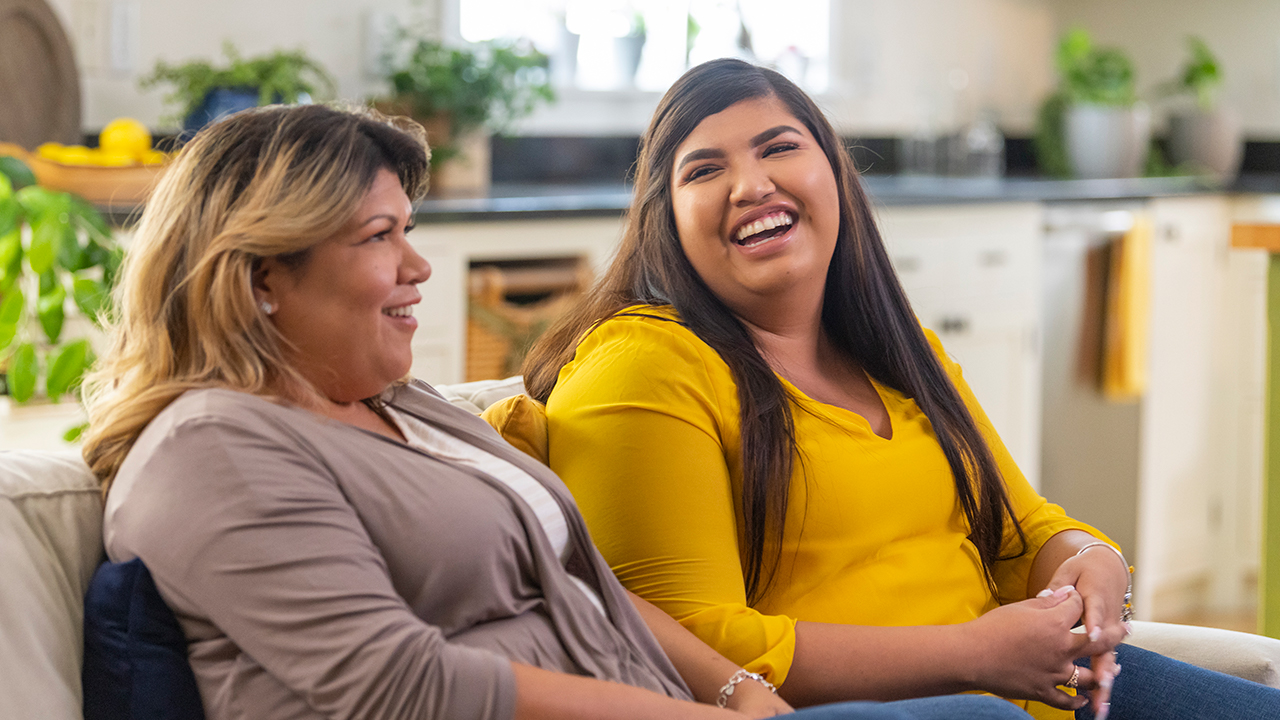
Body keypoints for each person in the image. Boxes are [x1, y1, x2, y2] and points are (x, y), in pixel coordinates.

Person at [78, 104, 1030, 720]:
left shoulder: (402, 409)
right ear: (259, 278)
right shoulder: (212, 450)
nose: (419, 270)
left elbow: (589, 585)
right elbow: (398, 682)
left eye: (410, 233)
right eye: (381, 239)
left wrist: (741, 692)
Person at [512, 59, 1280, 720]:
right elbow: (686, 642)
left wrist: (1096, 559)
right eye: (704, 170)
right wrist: (971, 656)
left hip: (1026, 690)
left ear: (835, 174)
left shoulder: (903, 353)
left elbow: (1024, 533)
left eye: (779, 146)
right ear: (664, 221)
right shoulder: (642, 366)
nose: (750, 184)